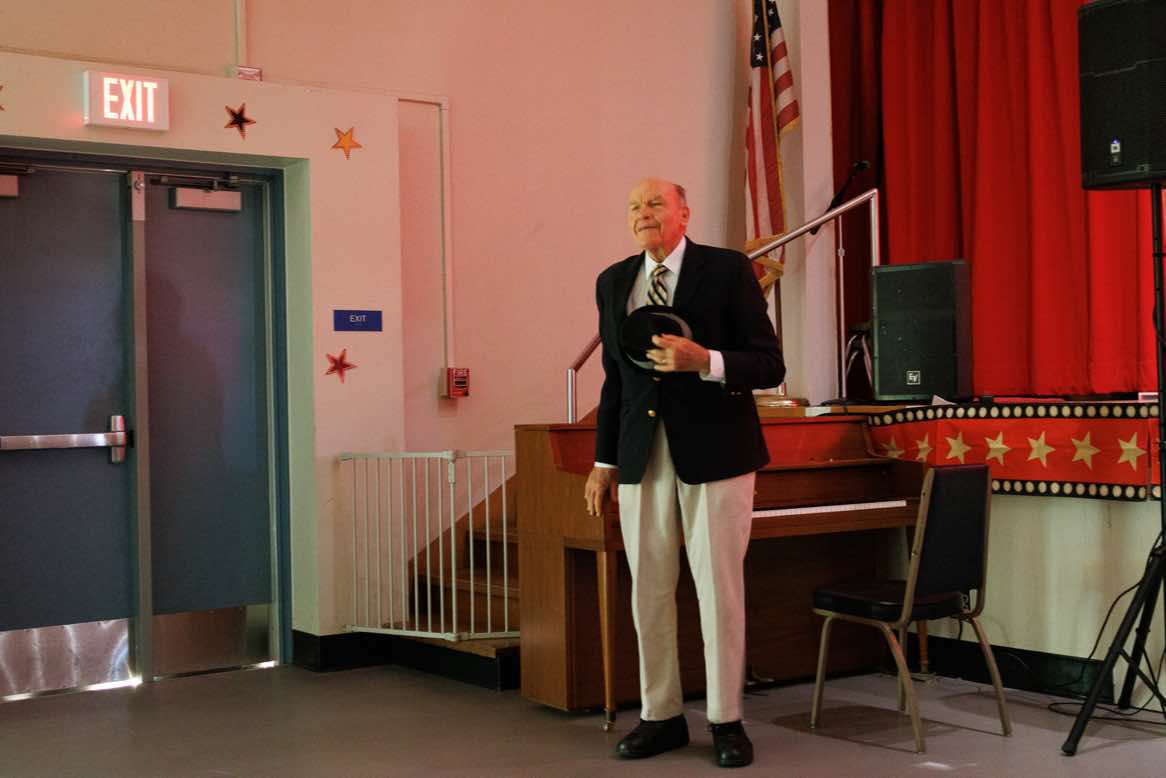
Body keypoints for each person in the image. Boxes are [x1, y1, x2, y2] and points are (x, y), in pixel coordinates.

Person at [584, 178, 784, 768]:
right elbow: (615, 381)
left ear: (684, 214)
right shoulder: (613, 281)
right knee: (647, 586)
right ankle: (661, 715)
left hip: (717, 452)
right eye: (633, 205)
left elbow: (770, 364)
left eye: (655, 203)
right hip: (641, 454)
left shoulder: (726, 270)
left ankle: (726, 719)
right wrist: (604, 462)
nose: (642, 213)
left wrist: (707, 361)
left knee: (718, 587)